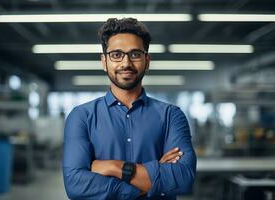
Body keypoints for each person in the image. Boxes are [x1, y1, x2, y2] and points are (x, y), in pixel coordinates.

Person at [63, 17, 197, 200]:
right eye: (116, 55)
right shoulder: (81, 117)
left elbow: (182, 179)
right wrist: (148, 182)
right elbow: (75, 185)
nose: (126, 63)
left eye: (135, 54)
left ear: (147, 60)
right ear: (104, 62)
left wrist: (112, 167)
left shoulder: (171, 116)